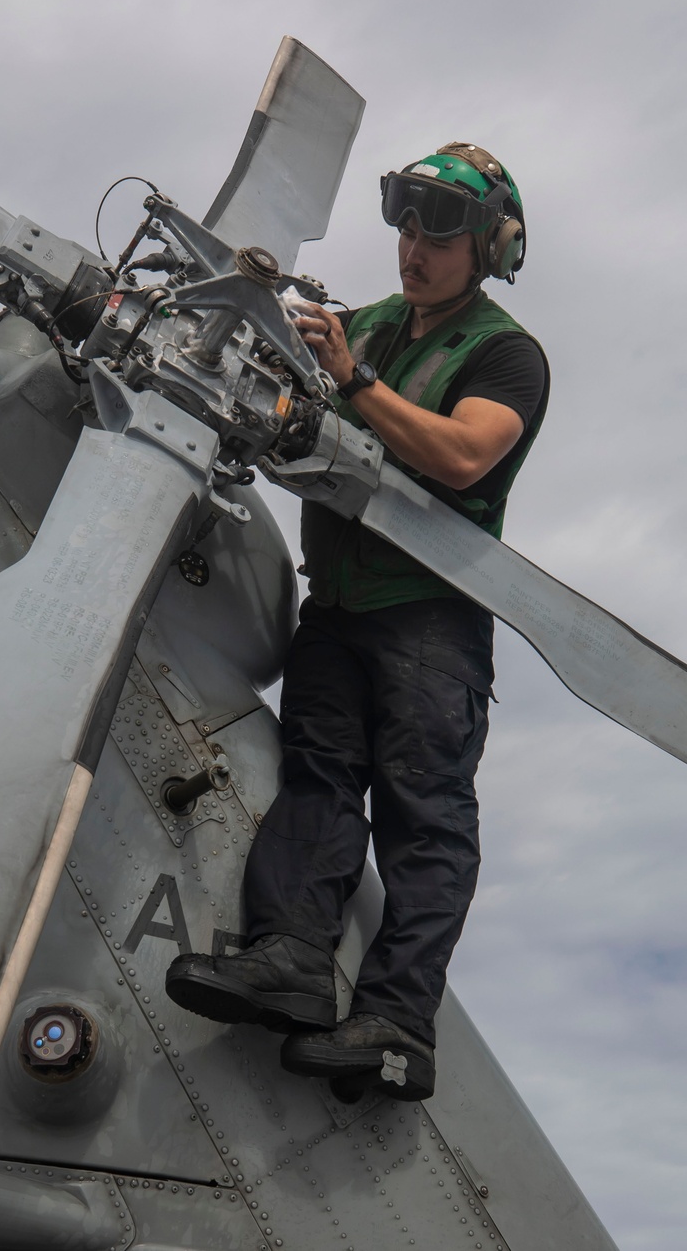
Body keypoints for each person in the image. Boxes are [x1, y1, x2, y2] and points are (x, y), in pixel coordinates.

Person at [166, 142, 548, 1102]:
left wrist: (357, 385)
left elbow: (464, 458)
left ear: (490, 246)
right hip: (334, 608)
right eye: (408, 224)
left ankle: (395, 1027)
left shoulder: (504, 354)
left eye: (442, 232)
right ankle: (291, 960)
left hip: (432, 623)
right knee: (318, 781)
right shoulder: (362, 324)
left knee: (423, 821)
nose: (415, 248)